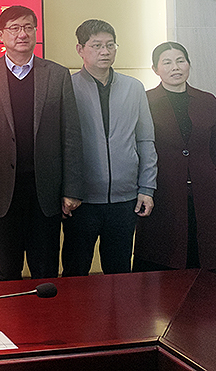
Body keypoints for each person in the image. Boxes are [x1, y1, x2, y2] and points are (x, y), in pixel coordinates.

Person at [0, 5, 84, 281]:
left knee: (45, 270)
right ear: (1, 35)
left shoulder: (57, 74)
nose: (22, 34)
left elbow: (70, 135)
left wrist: (72, 189)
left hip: (45, 190)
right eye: (14, 28)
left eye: (28, 27)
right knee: (6, 269)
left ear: (35, 32)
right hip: (0, 191)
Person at [62, 19, 157, 276]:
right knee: (75, 271)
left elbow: (145, 140)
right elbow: (60, 145)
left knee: (119, 272)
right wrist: (65, 191)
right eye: (96, 46)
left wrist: (147, 187)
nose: (105, 51)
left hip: (125, 200)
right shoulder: (67, 87)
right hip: (81, 200)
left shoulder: (134, 88)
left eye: (110, 45)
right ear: (80, 49)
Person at [133, 42, 216, 277]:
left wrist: (197, 171)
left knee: (204, 252)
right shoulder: (145, 101)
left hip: (204, 190)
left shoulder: (208, 101)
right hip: (161, 189)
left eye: (180, 61)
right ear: (155, 69)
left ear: (188, 64)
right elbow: (137, 146)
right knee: (162, 253)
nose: (175, 67)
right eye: (167, 62)